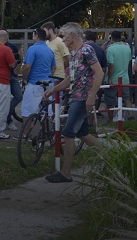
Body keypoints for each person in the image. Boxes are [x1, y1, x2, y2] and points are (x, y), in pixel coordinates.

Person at [44, 22, 104, 183]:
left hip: (83, 98)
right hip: (78, 97)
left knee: (68, 132)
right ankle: (112, 157)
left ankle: (65, 173)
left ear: (72, 35)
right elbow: (71, 78)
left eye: (63, 36)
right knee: (82, 133)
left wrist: (92, 96)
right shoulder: (74, 53)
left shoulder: (86, 50)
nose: (62, 39)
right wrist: (54, 90)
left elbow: (99, 72)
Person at [20, 28, 56, 118]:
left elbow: (27, 66)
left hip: (34, 83)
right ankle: (45, 130)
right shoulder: (50, 50)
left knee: (27, 112)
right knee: (47, 111)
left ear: (37, 36)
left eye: (33, 36)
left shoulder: (33, 49)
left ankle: (26, 132)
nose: (32, 38)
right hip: (48, 83)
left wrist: (24, 79)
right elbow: (54, 67)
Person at [104, 30, 133, 123]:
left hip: (114, 78)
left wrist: (109, 78)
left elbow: (111, 65)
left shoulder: (110, 49)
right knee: (127, 98)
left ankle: (110, 119)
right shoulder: (127, 48)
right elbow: (128, 61)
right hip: (124, 77)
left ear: (111, 38)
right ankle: (131, 115)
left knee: (110, 100)